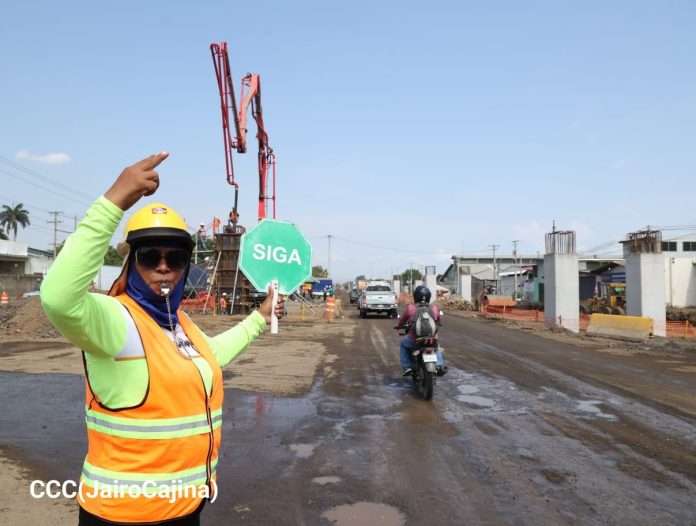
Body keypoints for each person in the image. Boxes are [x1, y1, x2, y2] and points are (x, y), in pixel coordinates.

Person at [40, 152, 284, 526]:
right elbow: (58, 298)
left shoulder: (178, 322)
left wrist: (258, 320)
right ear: (130, 263)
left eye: (176, 258)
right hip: (126, 515)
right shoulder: (115, 318)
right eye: (150, 255)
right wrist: (114, 202)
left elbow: (210, 356)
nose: (164, 266)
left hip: (185, 507)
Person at [394, 285, 447, 377]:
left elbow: (402, 321)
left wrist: (399, 326)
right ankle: (438, 365)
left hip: (415, 338)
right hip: (431, 337)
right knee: (436, 346)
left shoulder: (410, 308)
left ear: (415, 296)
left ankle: (407, 367)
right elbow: (438, 321)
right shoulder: (434, 308)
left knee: (403, 345)